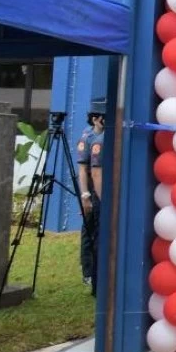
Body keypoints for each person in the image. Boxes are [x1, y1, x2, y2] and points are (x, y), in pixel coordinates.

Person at [76, 102, 105, 296]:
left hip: (98, 188)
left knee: (95, 231)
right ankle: (89, 273)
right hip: (93, 190)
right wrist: (85, 195)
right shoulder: (89, 138)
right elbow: (84, 170)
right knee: (89, 231)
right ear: (95, 119)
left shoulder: (103, 136)